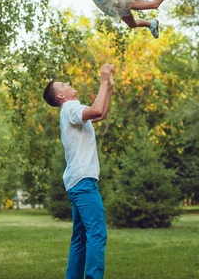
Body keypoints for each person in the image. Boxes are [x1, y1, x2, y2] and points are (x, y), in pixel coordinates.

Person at [43, 64, 115, 279]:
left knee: (80, 238)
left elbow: (99, 114)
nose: (67, 83)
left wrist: (108, 87)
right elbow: (95, 110)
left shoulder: (72, 110)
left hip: (77, 182)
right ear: (61, 95)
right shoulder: (70, 108)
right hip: (83, 182)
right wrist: (102, 82)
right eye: (63, 84)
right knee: (97, 234)